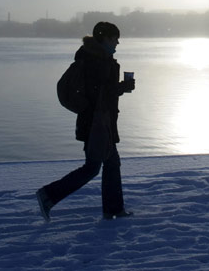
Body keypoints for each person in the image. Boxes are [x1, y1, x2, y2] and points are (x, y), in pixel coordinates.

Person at [36, 21, 135, 221]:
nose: (117, 42)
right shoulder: (96, 61)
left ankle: (113, 209)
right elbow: (99, 94)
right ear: (105, 39)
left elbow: (100, 92)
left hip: (101, 121)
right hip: (96, 123)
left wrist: (118, 88)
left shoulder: (96, 58)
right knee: (93, 167)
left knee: (111, 164)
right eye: (115, 38)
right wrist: (122, 87)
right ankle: (48, 195)